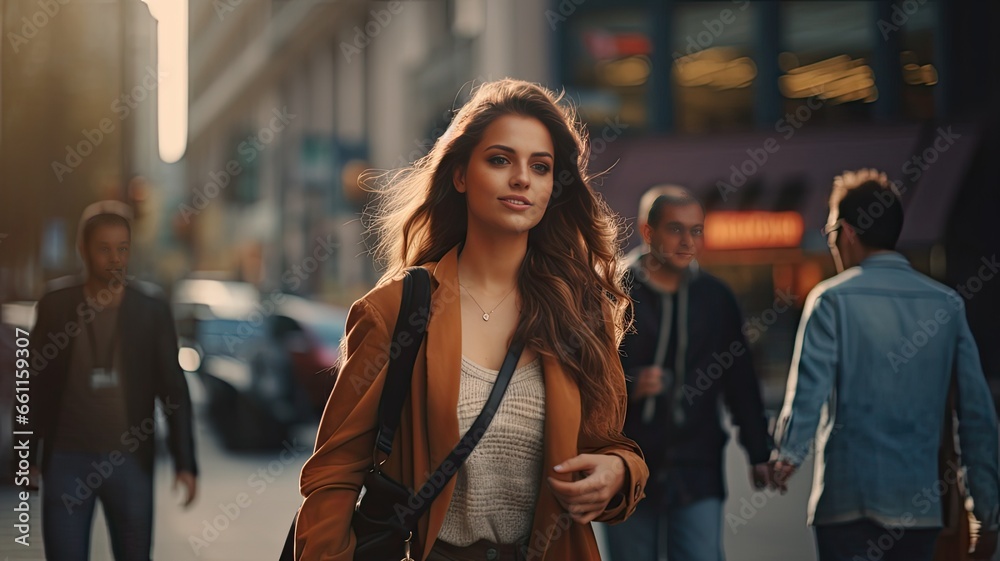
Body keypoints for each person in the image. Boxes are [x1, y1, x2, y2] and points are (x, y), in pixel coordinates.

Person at [294, 79, 649, 560]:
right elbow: (334, 474)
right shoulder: (396, 310)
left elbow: (610, 443)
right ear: (460, 174)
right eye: (500, 160)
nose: (521, 178)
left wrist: (620, 472)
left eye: (540, 167)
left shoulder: (581, 312)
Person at [771, 169, 1000, 561]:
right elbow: (977, 415)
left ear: (847, 232)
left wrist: (787, 455)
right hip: (920, 508)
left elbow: (808, 393)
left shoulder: (831, 300)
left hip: (846, 503)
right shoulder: (946, 305)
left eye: (829, 235)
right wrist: (987, 511)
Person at [606, 187, 772, 561]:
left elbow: (740, 380)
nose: (688, 242)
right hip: (627, 464)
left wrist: (759, 451)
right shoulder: (612, 292)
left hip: (698, 466)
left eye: (696, 230)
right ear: (648, 232)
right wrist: (628, 386)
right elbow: (584, 376)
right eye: (676, 230)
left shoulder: (716, 297)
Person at [28, 201, 198, 560]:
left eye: (122, 248)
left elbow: (174, 389)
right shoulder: (56, 305)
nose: (115, 258)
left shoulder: (150, 309)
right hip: (66, 461)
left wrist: (185, 463)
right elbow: (33, 384)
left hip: (129, 462)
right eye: (104, 249)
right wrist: (25, 456)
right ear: (83, 249)